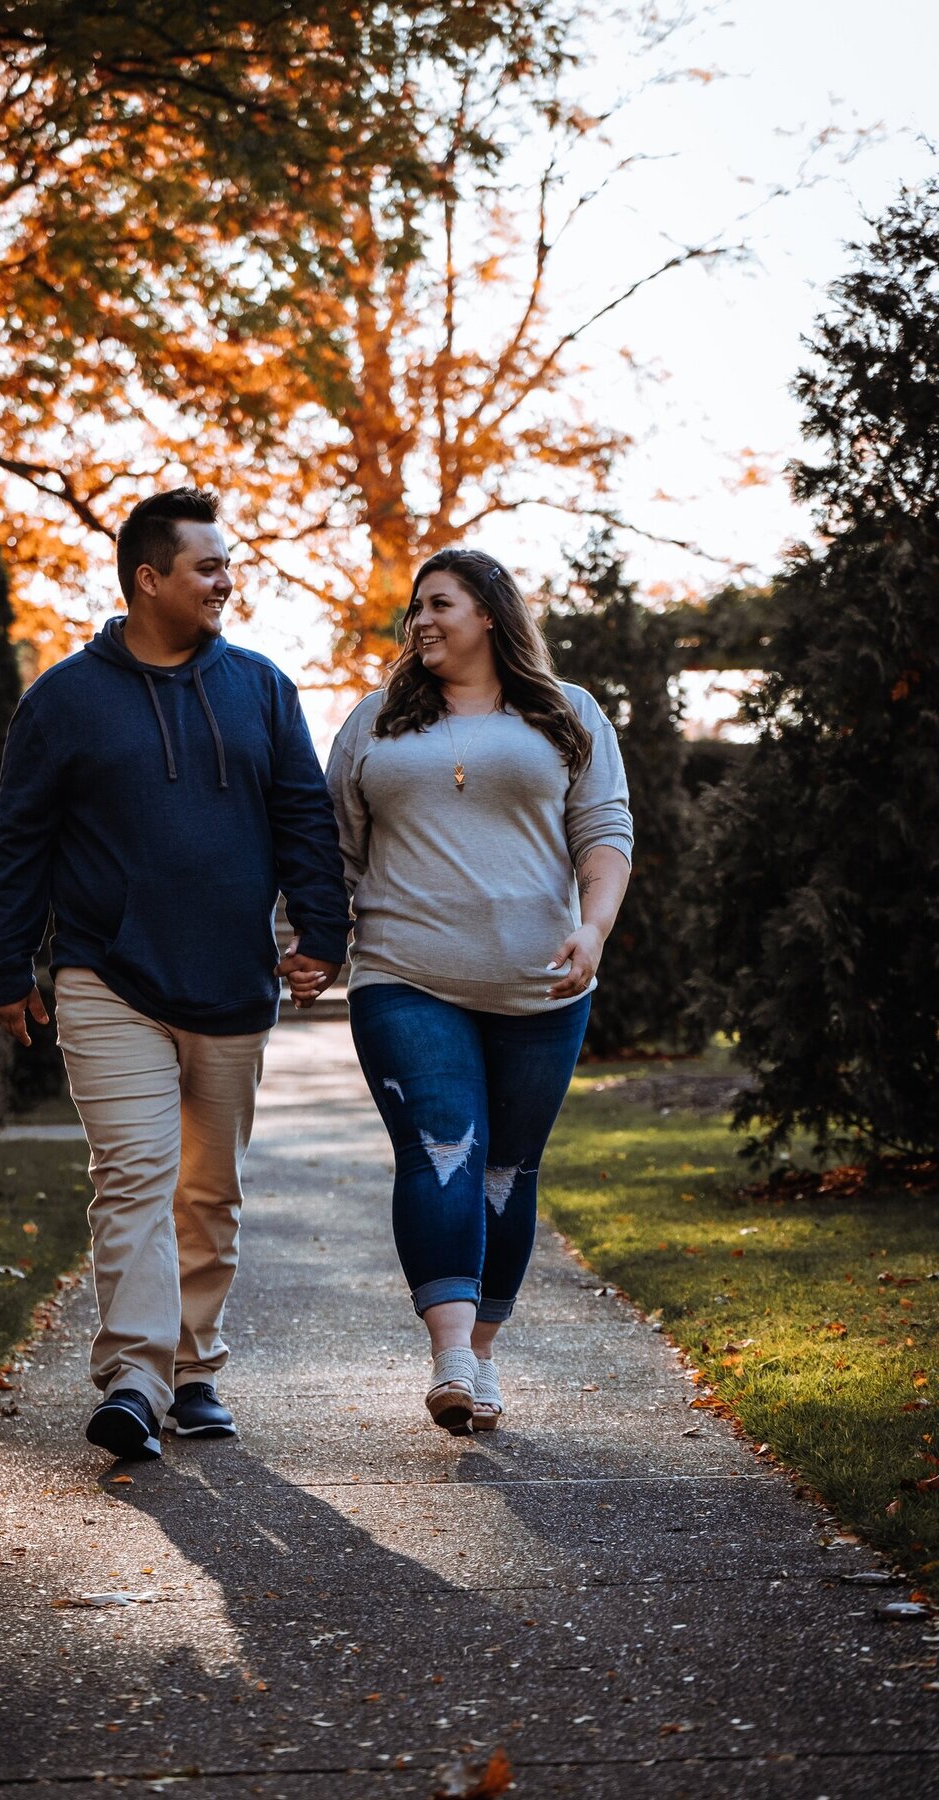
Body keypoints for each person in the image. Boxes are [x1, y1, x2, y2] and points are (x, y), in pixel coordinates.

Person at [0, 487, 348, 1462]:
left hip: (229, 982)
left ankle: (196, 1368)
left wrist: (322, 928)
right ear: (150, 580)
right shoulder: (63, 700)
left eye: (228, 564)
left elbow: (303, 816)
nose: (228, 580)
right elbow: (20, 838)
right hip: (108, 975)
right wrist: (6, 962)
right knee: (135, 1176)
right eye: (208, 566)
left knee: (207, 1191)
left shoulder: (262, 687)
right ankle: (135, 1378)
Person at [325, 547, 632, 1435]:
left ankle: (485, 1356)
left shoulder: (567, 714)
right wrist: (304, 943)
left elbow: (604, 830)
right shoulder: (375, 722)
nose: (421, 621)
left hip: (544, 988)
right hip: (403, 975)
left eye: (440, 604)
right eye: (415, 609)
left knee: (508, 1166)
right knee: (443, 1146)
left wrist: (594, 927)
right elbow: (333, 848)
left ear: (490, 614)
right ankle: (451, 1355)